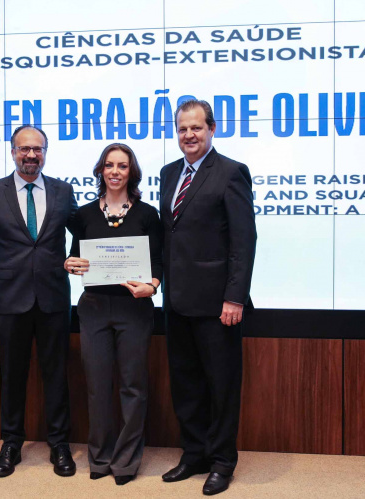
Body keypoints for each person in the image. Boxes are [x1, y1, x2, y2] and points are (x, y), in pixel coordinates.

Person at [159, 100, 256, 496]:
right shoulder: (168, 174)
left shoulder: (231, 172)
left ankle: (222, 461)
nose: (189, 135)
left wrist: (235, 297)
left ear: (212, 128)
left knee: (221, 385)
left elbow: (243, 240)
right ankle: (194, 453)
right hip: (176, 301)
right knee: (186, 384)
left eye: (196, 128)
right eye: (182, 129)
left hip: (218, 305)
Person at [0, 125, 78, 478]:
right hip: (9, 302)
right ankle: (11, 443)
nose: (31, 155)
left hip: (54, 300)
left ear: (46, 152)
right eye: (24, 149)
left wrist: (80, 258)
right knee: (12, 376)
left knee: (56, 375)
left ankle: (59, 444)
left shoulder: (63, 191)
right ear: (13, 151)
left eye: (38, 149)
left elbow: (85, 233)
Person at [64, 143, 162, 486]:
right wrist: (69, 264)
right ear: (101, 171)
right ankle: (100, 457)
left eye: (122, 165)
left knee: (133, 386)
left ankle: (125, 461)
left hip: (134, 307)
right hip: (93, 308)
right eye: (109, 165)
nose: (115, 171)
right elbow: (76, 256)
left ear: (131, 172)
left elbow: (158, 262)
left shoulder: (148, 214)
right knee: (97, 386)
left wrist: (153, 284)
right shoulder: (84, 214)